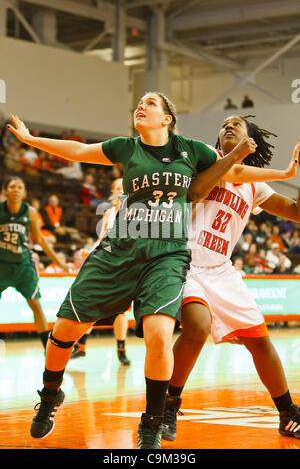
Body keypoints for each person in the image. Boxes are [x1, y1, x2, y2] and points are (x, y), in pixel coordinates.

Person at [7, 94, 259, 449]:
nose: (141, 106)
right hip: (120, 247)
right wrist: (32, 140)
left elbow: (234, 171)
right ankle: (49, 397)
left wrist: (284, 174)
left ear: (167, 118)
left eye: (150, 103)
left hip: (166, 253)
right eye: (138, 103)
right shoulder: (126, 147)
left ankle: (151, 425)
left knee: (158, 334)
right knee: (64, 330)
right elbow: (77, 152)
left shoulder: (192, 149)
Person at [160, 115, 300, 442]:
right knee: (197, 327)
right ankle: (168, 405)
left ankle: (287, 413)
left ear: (251, 138)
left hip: (222, 268)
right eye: (224, 123)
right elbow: (194, 193)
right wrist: (233, 157)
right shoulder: (202, 160)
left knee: (261, 341)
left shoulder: (255, 185)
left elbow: (295, 212)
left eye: (237, 123)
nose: (228, 125)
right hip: (186, 259)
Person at [0, 176, 68, 349]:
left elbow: (39, 240)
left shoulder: (29, 211)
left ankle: (47, 348)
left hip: (22, 265)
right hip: (2, 264)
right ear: (5, 191)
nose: (15, 190)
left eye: (19, 187)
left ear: (24, 192)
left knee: (36, 304)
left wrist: (58, 262)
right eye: (12, 186)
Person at [71, 178, 131, 365]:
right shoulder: (109, 213)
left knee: (121, 312)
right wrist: (90, 251)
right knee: (92, 304)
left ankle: (121, 350)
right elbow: (101, 240)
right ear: (113, 192)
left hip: (125, 265)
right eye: (117, 188)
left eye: (123, 186)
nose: (120, 190)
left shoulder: (136, 212)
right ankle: (81, 347)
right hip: (106, 262)